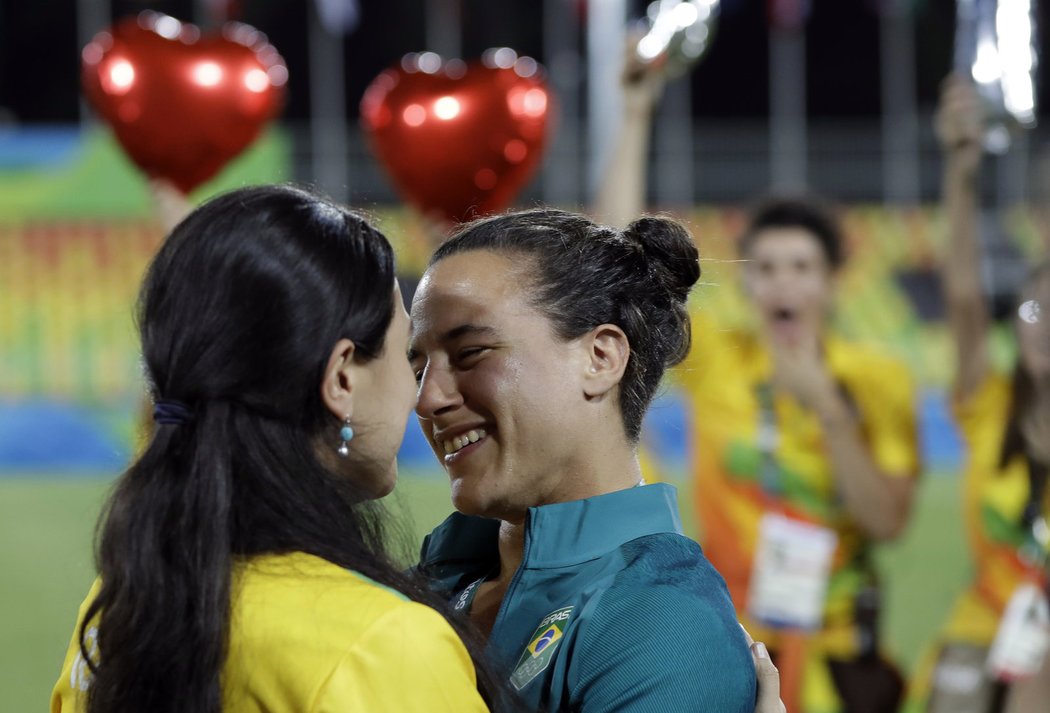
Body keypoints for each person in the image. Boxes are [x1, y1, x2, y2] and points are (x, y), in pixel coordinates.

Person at [50, 184, 505, 713]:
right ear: (340, 379)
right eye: (406, 356)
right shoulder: (383, 643)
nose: (422, 393)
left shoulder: (115, 610)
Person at [594, 43, 921, 713]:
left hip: (838, 654)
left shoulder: (876, 378)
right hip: (729, 639)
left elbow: (886, 521)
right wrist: (634, 114)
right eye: (766, 267)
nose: (784, 284)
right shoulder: (720, 357)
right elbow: (618, 274)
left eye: (802, 267)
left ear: (832, 282)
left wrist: (828, 408)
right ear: (747, 283)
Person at [408, 207, 759, 712]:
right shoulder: (446, 570)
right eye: (418, 368)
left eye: (471, 354)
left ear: (601, 359)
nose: (427, 399)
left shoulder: (662, 624)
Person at [919, 74, 1050, 713]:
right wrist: (962, 172)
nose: (1045, 325)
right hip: (983, 633)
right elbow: (964, 297)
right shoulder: (991, 401)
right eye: (1034, 308)